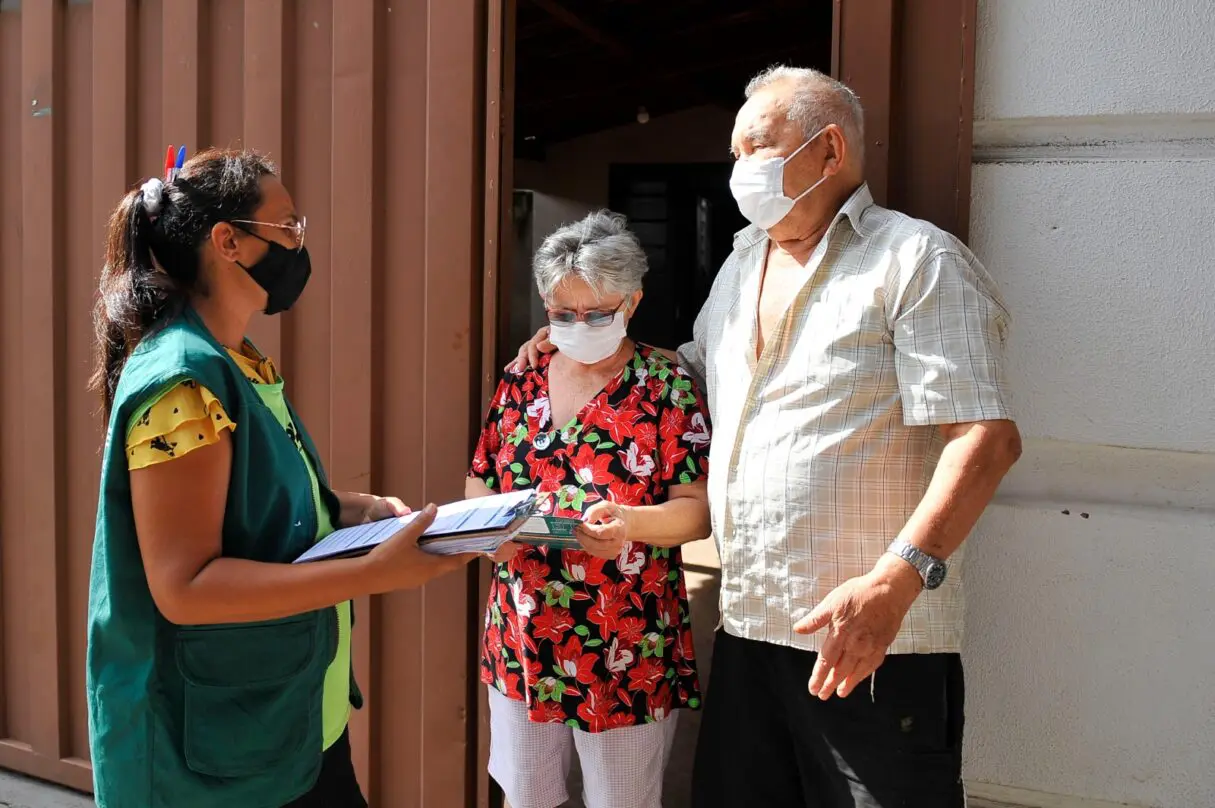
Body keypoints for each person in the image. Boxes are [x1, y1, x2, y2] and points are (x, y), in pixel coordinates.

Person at [510, 66, 1023, 808]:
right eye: (734, 152)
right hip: (749, 628)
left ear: (829, 148)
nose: (739, 170)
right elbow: (695, 374)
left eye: (756, 146)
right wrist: (589, 344)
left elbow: (984, 437)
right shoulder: (743, 260)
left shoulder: (914, 260)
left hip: (867, 641)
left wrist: (894, 579)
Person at [86, 148, 473, 808]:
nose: (300, 244)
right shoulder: (182, 380)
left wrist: (345, 510)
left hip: (286, 725)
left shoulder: (237, 361)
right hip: (210, 762)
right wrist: (375, 573)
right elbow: (185, 587)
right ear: (228, 242)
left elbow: (249, 506)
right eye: (288, 227)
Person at [469, 210, 712, 808]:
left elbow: (696, 511)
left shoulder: (666, 385)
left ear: (633, 301)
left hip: (627, 640)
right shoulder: (520, 380)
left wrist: (629, 523)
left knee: (622, 799)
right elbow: (480, 479)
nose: (578, 325)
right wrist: (487, 532)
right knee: (527, 796)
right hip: (523, 632)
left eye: (596, 313)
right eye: (561, 314)